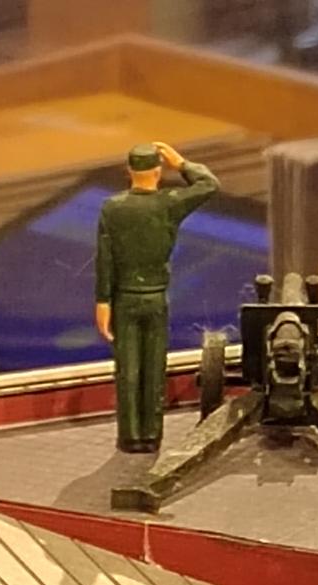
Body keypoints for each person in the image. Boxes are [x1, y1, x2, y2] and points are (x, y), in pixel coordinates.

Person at [95, 141, 220, 452]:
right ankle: (151, 436)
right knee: (154, 366)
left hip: (124, 298)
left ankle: (130, 436)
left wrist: (103, 301)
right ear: (157, 172)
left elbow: (105, 258)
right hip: (155, 297)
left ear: (129, 171)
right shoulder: (169, 204)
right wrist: (182, 163)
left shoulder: (112, 208)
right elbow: (209, 184)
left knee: (128, 368)